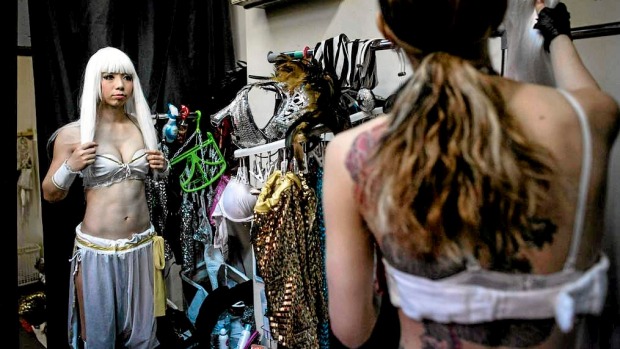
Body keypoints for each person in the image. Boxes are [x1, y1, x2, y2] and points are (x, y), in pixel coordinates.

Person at [323, 0, 620, 348]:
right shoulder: (591, 120)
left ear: (386, 30)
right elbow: (585, 96)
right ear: (495, 15)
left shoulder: (351, 154)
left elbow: (352, 330)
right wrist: (557, 35)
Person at [42, 46, 169, 349]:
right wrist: (70, 167)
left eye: (126, 77)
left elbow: (157, 179)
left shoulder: (144, 127)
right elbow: (50, 194)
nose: (120, 85)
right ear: (94, 83)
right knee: (100, 340)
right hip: (98, 252)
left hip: (142, 246)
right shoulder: (74, 135)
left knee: (143, 338)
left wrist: (163, 167)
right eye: (109, 77)